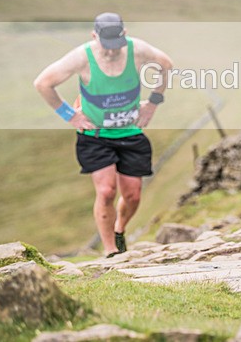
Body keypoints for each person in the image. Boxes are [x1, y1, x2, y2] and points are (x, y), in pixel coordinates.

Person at [34, 13, 173, 258]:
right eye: (105, 46)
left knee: (133, 195)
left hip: (130, 131)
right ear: (94, 36)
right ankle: (110, 251)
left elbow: (166, 65)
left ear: (125, 35)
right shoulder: (81, 57)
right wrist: (71, 116)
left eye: (116, 46)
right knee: (107, 190)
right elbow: (43, 83)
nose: (111, 52)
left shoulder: (137, 50)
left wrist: (153, 103)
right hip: (95, 134)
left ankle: (119, 229)